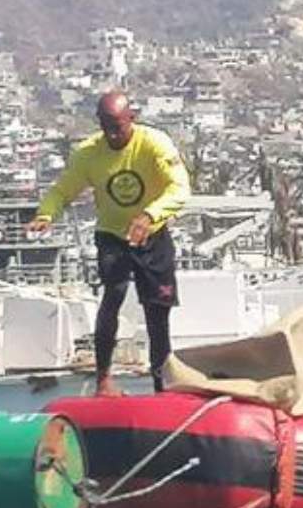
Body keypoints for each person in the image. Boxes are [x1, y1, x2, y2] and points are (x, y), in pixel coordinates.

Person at [30, 92, 190, 395]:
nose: (113, 133)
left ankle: (161, 385)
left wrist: (149, 215)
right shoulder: (88, 153)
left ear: (131, 117)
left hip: (152, 234)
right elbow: (62, 190)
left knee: (157, 311)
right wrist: (46, 214)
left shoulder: (154, 142)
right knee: (112, 296)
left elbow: (179, 188)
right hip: (113, 235)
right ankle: (104, 379)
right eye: (106, 126)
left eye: (118, 125)